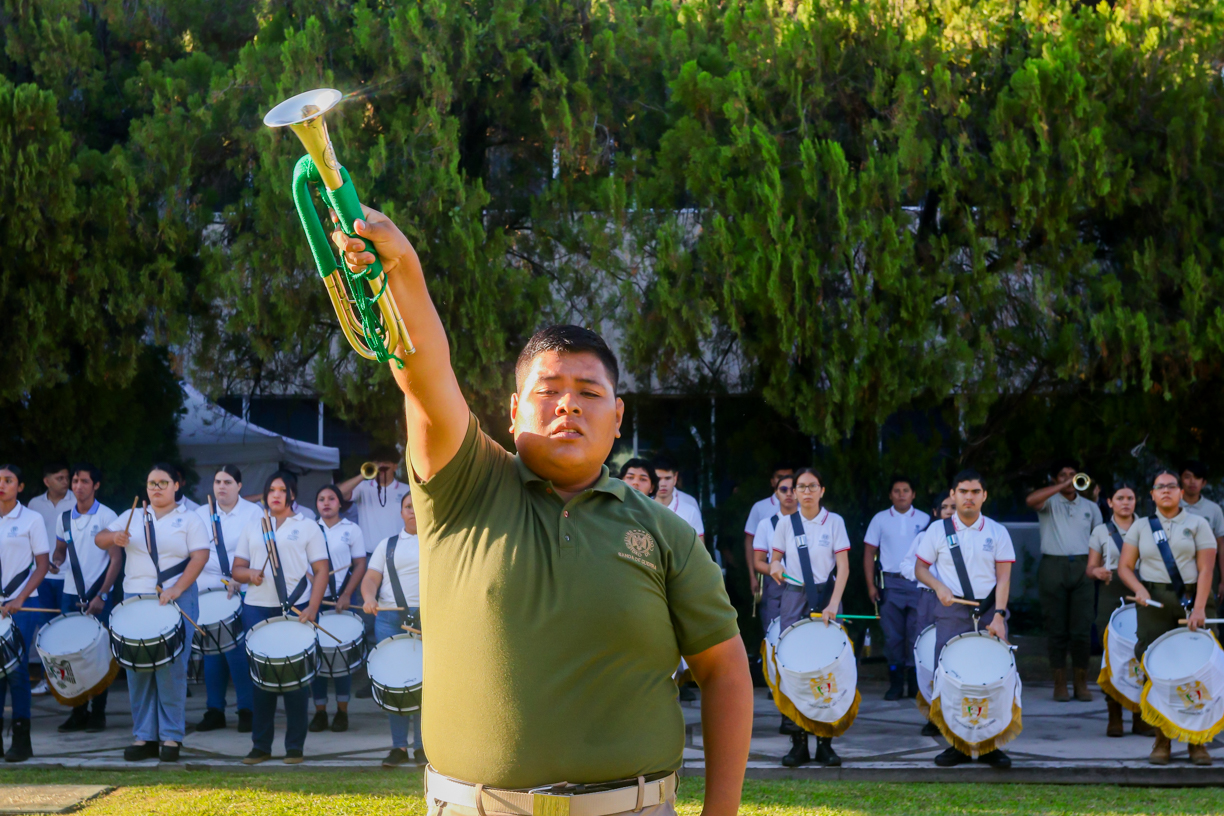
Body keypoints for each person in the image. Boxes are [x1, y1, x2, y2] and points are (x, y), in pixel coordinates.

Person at [332, 205, 750, 816]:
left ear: (618, 417)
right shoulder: (464, 485)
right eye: (548, 391)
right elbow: (423, 371)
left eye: (589, 393)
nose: (568, 406)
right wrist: (403, 272)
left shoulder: (666, 533)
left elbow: (725, 670)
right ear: (513, 411)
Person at [97, 463, 210, 763]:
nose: (156, 488)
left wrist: (177, 588)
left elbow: (200, 556)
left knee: (171, 669)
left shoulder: (190, 518)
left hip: (175, 599)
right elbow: (100, 538)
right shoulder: (133, 515)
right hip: (136, 599)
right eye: (151, 483)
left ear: (176, 486)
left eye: (163, 482)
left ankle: (171, 736)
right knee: (137, 669)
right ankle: (144, 736)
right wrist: (114, 538)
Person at [914, 468, 1015, 768]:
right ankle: (956, 744)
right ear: (953, 495)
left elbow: (1004, 577)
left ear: (984, 496)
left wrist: (999, 615)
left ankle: (989, 745)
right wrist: (938, 586)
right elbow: (920, 569)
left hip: (990, 610)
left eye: (975, 492)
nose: (969, 497)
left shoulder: (997, 532)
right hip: (951, 612)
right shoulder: (937, 531)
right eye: (963, 492)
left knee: (992, 677)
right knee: (950, 677)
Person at [1117, 469, 1218, 766]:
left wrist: (1199, 608)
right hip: (1154, 601)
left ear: (1180, 492)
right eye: (1160, 487)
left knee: (1198, 669)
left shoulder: (1198, 523)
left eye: (1171, 486)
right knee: (1156, 667)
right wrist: (1138, 589)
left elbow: (1206, 570)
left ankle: (1198, 742)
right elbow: (1125, 566)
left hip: (1193, 598)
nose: (1166, 491)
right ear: (1152, 494)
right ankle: (1162, 740)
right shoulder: (1141, 526)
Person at [231, 471, 329, 765]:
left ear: (292, 495)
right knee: (261, 679)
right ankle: (260, 746)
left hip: (295, 607)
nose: (276, 494)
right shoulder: (253, 526)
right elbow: (237, 569)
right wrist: (250, 574)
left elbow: (321, 570)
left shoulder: (307, 526)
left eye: (282, 490)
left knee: (295, 679)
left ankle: (294, 747)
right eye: (271, 489)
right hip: (257, 607)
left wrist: (313, 607)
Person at [767, 468, 851, 767]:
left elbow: (843, 567)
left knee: (828, 667)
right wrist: (775, 566)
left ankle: (825, 743)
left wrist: (834, 603)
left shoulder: (835, 522)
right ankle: (798, 743)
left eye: (812, 486)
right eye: (800, 487)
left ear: (822, 490)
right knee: (794, 666)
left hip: (828, 596)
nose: (805, 492)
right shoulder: (785, 523)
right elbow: (775, 559)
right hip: (794, 597)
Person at [1025, 462, 1103, 702]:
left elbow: (1099, 539)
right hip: (1053, 565)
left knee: (1081, 629)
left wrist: (1096, 568)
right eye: (1063, 475)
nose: (1069, 479)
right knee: (1056, 628)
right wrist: (1062, 486)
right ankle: (1060, 684)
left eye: (1073, 475)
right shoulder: (1048, 502)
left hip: (1083, 565)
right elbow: (1030, 500)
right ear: (1055, 479)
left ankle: (1081, 683)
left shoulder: (1090, 507)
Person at [192, 465, 261, 734]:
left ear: (239, 486)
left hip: (241, 589)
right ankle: (214, 710)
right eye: (218, 481)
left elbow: (261, 552)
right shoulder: (200, 514)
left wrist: (241, 577)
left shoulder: (253, 513)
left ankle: (247, 709)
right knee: (211, 653)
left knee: (238, 651)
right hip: (207, 591)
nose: (222, 486)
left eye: (228, 482)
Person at [52, 463, 120, 733]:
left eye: (84, 481)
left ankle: (98, 713)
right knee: (69, 654)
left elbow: (116, 560)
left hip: (98, 595)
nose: (78, 486)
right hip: (70, 595)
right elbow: (60, 551)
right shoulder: (64, 518)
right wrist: (56, 562)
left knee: (98, 654)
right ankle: (78, 712)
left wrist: (103, 594)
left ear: (96, 485)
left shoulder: (107, 516)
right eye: (75, 481)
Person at [361, 492, 424, 766]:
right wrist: (369, 597)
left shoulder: (438, 541)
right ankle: (398, 747)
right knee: (394, 684)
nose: (413, 511)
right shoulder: (386, 545)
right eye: (408, 506)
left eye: (417, 505)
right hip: (389, 619)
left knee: (424, 685)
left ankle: (422, 747)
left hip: (427, 620)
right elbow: (370, 578)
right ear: (401, 512)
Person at [1086, 483, 1152, 738]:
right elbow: (1090, 568)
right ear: (1110, 502)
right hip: (1111, 593)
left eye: (1130, 498)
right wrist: (1097, 571)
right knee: (1112, 654)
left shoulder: (1148, 527)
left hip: (1143, 590)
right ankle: (1114, 714)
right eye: (1120, 498)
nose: (1126, 502)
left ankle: (1140, 716)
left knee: (1143, 652)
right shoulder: (1101, 530)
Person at [863, 476, 931, 701]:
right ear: (890, 495)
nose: (901, 494)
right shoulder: (880, 519)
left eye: (906, 490)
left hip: (918, 583)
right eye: (897, 491)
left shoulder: (925, 519)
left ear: (913, 494)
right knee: (893, 637)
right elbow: (869, 553)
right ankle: (895, 683)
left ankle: (914, 683)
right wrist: (871, 585)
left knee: (916, 634)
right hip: (890, 584)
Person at [0, 464, 51, 762]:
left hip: (23, 604)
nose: (2, 485)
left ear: (19, 487)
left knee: (16, 670)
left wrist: (19, 598)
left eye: (8, 480)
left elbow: (42, 565)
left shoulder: (32, 519)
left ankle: (21, 740)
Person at [310, 484, 366, 733]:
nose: (326, 503)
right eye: (321, 499)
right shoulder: (310, 529)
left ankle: (342, 711)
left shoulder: (352, 529)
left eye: (331, 498)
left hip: (342, 602)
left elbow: (360, 564)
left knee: (342, 658)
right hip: (316, 602)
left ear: (340, 503)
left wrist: (347, 594)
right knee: (317, 659)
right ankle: (320, 711)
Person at [900, 493, 956, 737]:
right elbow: (906, 565)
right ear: (935, 512)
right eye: (944, 507)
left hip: (955, 602)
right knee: (927, 653)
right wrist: (927, 577)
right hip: (928, 599)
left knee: (951, 653)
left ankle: (952, 713)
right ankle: (933, 714)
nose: (949, 511)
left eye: (953, 507)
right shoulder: (924, 536)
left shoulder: (965, 536)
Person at [28, 462, 72, 695]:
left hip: (70, 578)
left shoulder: (76, 501)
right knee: (45, 630)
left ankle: (71, 682)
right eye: (59, 478)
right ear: (47, 481)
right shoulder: (34, 504)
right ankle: (49, 679)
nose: (65, 482)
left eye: (66, 477)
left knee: (67, 629)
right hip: (42, 576)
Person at [338, 458, 410, 557]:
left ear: (395, 467)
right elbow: (338, 493)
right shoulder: (363, 487)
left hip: (400, 553)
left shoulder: (407, 489)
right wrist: (363, 474)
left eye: (386, 463)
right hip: (370, 554)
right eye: (377, 463)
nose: (381, 466)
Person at [751, 474, 797, 627]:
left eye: (793, 489)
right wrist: (775, 570)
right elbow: (758, 562)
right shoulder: (766, 524)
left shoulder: (811, 522)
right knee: (775, 634)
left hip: (806, 584)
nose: (788, 493)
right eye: (783, 489)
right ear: (776, 493)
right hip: (778, 584)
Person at [743, 465, 794, 599]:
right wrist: (752, 576)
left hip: (804, 581)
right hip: (774, 577)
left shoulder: (809, 516)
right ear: (773, 483)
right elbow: (750, 543)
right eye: (780, 478)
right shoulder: (761, 509)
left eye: (793, 488)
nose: (788, 493)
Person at [1179, 461, 1224, 611]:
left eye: (1197, 478)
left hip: (1208, 568)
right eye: (1187, 477)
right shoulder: (1171, 507)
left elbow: (1221, 545)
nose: (1192, 482)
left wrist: (1223, 580)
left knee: (1206, 611)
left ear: (1204, 483)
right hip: (1176, 568)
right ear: (1180, 480)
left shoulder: (1214, 510)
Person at [654, 456, 704, 540]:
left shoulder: (690, 507)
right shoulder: (643, 507)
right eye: (658, 479)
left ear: (675, 478)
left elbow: (700, 545)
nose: (663, 484)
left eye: (667, 478)